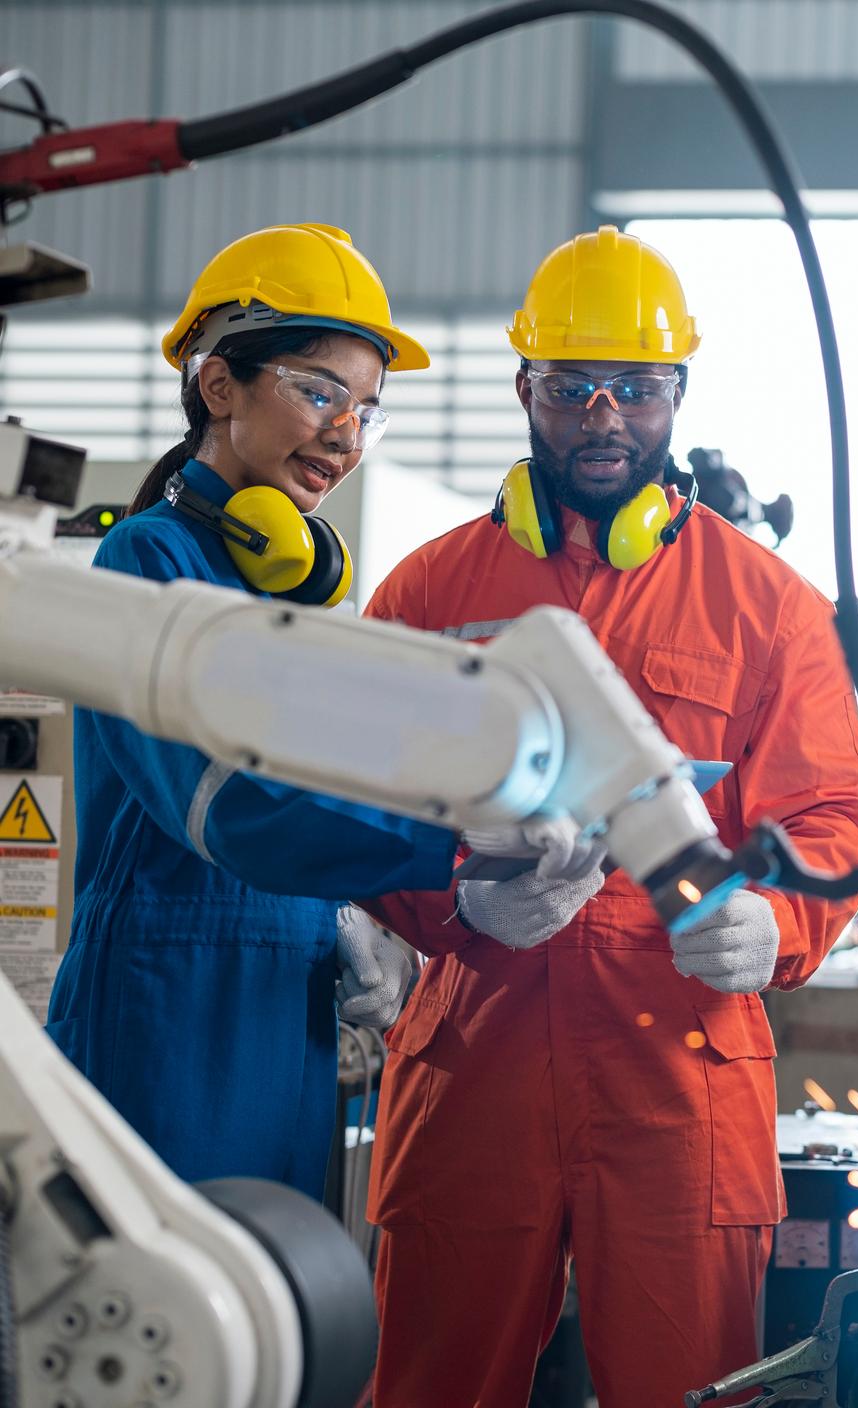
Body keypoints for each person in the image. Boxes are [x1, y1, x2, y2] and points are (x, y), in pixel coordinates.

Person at [359, 225, 858, 1408]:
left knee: (691, 1387)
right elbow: (358, 812)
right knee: (431, 1386)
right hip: (475, 1050)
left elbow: (835, 818)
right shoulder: (428, 592)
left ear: (678, 392)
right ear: (524, 388)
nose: (605, 415)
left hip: (680, 1065)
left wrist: (779, 921)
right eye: (574, 385)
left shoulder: (771, 609)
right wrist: (449, 894)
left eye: (637, 388)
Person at [46, 224, 460, 1201]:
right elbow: (227, 804)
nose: (345, 435)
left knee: (275, 1308)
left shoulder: (297, 594)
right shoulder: (147, 562)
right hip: (161, 1000)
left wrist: (349, 910)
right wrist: (449, 834)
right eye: (318, 391)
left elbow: (330, 787)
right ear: (219, 385)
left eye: (366, 409)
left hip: (284, 999)